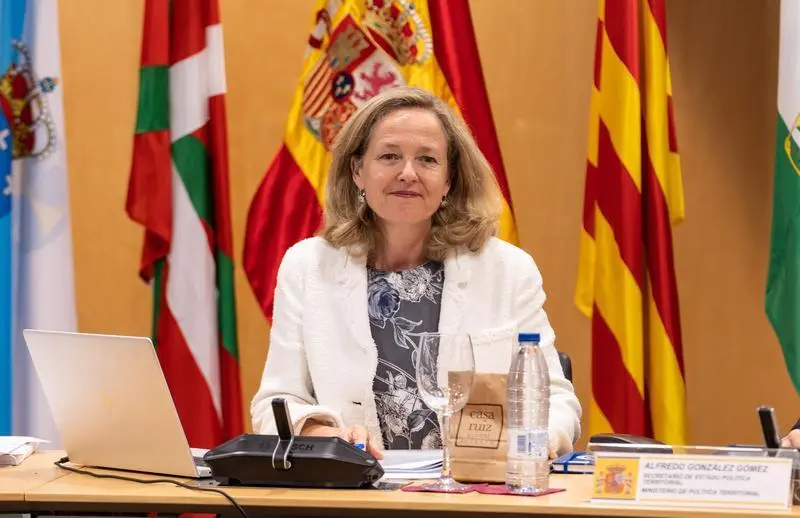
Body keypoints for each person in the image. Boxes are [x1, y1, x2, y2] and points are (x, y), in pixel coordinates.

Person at [250, 86, 582, 461]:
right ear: (358, 171)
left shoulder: (508, 270)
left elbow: (556, 401)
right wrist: (321, 433)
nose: (408, 173)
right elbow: (276, 402)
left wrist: (529, 447)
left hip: (474, 487)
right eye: (389, 156)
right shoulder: (307, 266)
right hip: (353, 488)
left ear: (449, 179)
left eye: (427, 159)